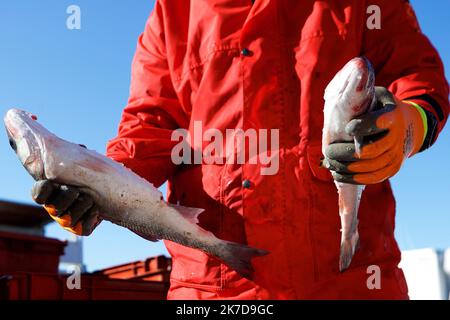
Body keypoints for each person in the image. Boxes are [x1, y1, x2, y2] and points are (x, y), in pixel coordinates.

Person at [31, 0, 449, 299]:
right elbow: (149, 128)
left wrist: (410, 123)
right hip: (214, 293)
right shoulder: (172, 12)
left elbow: (418, 76)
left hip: (353, 284)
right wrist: (97, 189)